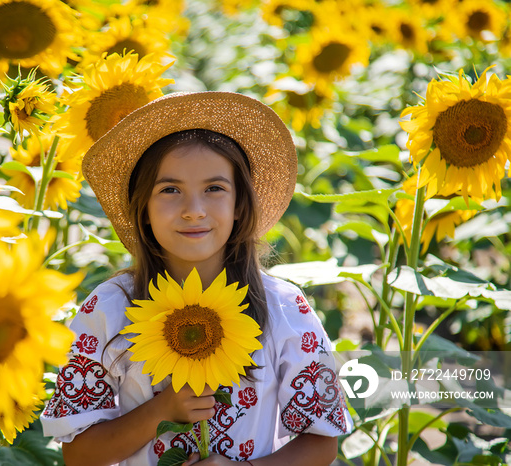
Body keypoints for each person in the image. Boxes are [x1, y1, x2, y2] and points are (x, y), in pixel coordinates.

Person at [40, 92, 353, 465]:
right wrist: (161, 410)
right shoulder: (109, 310)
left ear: (239, 205)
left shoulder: (284, 309)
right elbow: (79, 454)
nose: (193, 211)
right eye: (170, 190)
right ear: (143, 208)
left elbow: (321, 441)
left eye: (214, 189)